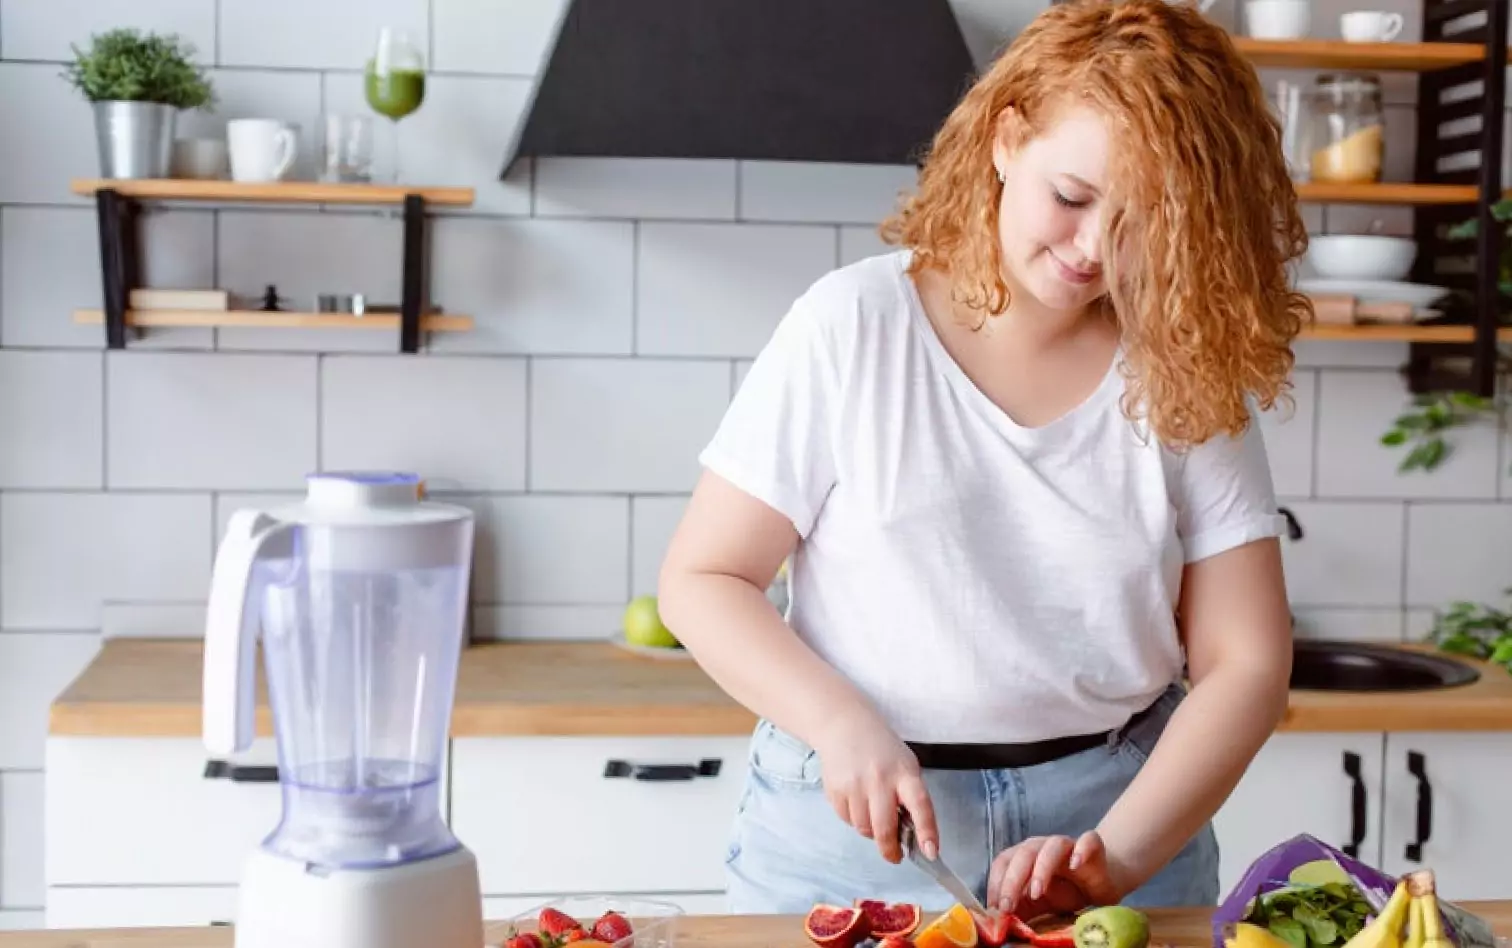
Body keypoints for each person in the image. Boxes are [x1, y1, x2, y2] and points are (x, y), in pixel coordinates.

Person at [657, 0, 1304, 920]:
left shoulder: (1183, 362)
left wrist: (1114, 858)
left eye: (1143, 220)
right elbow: (703, 577)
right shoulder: (852, 326)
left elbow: (1246, 662)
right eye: (1073, 198)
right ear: (1006, 142)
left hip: (1118, 818)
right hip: (854, 823)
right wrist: (841, 723)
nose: (1092, 250)